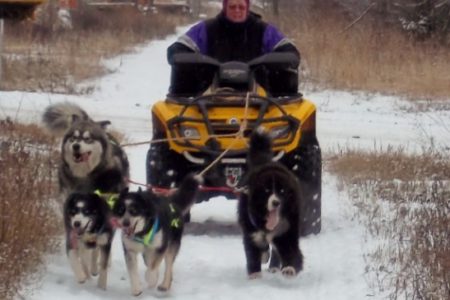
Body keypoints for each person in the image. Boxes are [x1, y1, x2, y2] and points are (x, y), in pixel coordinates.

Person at [167, 0, 300, 96]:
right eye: (232, 7)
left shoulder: (264, 30)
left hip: (259, 97)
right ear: (225, 7)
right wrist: (190, 59)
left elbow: (290, 51)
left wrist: (277, 60)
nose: (237, 11)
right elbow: (177, 50)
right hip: (209, 96)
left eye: (241, 7)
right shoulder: (206, 29)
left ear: (247, 7)